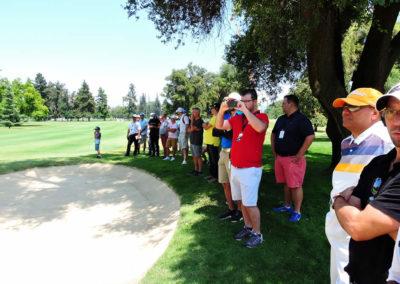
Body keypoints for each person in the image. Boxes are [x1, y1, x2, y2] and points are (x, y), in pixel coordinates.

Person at [325, 88, 393, 284]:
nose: (346, 111)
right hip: (338, 226)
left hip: (360, 233)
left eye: (353, 106)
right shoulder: (347, 142)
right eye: (345, 106)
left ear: (375, 113)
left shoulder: (386, 142)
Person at [216, 89, 269, 248]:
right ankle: (247, 227)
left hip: (250, 169)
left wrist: (244, 109)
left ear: (255, 101)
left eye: (247, 101)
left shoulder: (261, 117)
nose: (243, 104)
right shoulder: (237, 118)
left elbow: (260, 128)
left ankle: (257, 234)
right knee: (242, 202)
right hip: (236, 167)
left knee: (250, 204)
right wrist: (222, 109)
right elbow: (220, 125)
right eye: (242, 101)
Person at [271, 94, 315, 222]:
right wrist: (275, 152)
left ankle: (297, 211)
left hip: (293, 159)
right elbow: (273, 135)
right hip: (280, 158)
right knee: (286, 183)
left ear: (291, 104)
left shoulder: (302, 120)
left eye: (284, 103)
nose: (282, 105)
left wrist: (299, 154)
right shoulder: (281, 119)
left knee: (295, 185)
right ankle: (287, 206)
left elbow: (310, 136)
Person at [217, 92, 242, 222]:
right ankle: (231, 209)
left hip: (234, 151)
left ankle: (240, 211)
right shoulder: (226, 115)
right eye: (228, 101)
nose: (229, 103)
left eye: (231, 101)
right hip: (223, 151)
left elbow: (233, 133)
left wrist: (226, 132)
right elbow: (217, 130)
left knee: (235, 184)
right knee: (225, 182)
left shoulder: (241, 114)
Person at [203, 103, 221, 183]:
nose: (211, 109)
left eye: (212, 108)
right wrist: (205, 124)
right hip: (210, 142)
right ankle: (212, 175)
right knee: (211, 160)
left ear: (216, 109)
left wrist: (204, 125)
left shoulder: (215, 117)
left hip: (213, 142)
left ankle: (216, 177)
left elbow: (206, 126)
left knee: (214, 160)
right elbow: (207, 125)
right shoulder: (214, 117)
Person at [188, 107, 204, 176]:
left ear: (197, 113)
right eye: (192, 112)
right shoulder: (194, 121)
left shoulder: (200, 121)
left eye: (193, 112)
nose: (192, 114)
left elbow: (191, 129)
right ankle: (196, 169)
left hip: (197, 141)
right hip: (192, 141)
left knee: (198, 156)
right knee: (194, 156)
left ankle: (200, 171)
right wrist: (192, 124)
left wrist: (191, 121)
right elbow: (189, 129)